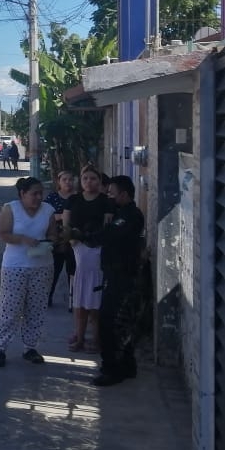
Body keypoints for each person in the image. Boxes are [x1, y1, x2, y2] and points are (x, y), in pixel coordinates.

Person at [0, 176, 59, 367]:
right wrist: (22, 238)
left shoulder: (48, 211)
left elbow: (53, 234)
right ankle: (0, 348)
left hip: (42, 266)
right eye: (34, 194)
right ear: (22, 194)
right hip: (15, 266)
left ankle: (30, 347)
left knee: (36, 308)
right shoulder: (10, 208)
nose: (38, 197)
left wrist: (50, 241)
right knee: (10, 308)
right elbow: (2, 234)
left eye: (40, 193)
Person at [94, 175, 146, 386]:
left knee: (110, 322)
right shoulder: (120, 213)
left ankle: (112, 369)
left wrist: (88, 234)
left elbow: (108, 236)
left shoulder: (130, 215)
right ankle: (126, 365)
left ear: (124, 195)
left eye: (112, 193)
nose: (109, 196)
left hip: (121, 276)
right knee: (120, 322)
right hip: (115, 274)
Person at [62, 164, 111, 354]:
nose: (89, 182)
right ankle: (79, 337)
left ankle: (96, 339)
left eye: (93, 178)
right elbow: (66, 225)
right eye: (85, 179)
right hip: (77, 251)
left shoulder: (105, 201)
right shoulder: (73, 200)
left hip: (98, 252)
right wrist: (72, 240)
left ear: (99, 181)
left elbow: (107, 226)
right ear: (80, 181)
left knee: (95, 299)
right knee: (79, 299)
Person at [44, 170, 78, 309]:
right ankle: (47, 298)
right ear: (59, 182)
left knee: (73, 272)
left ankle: (73, 302)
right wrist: (61, 217)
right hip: (56, 241)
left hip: (74, 240)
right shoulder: (52, 198)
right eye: (64, 179)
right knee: (53, 271)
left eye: (70, 179)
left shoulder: (78, 198)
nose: (68, 182)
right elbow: (45, 215)